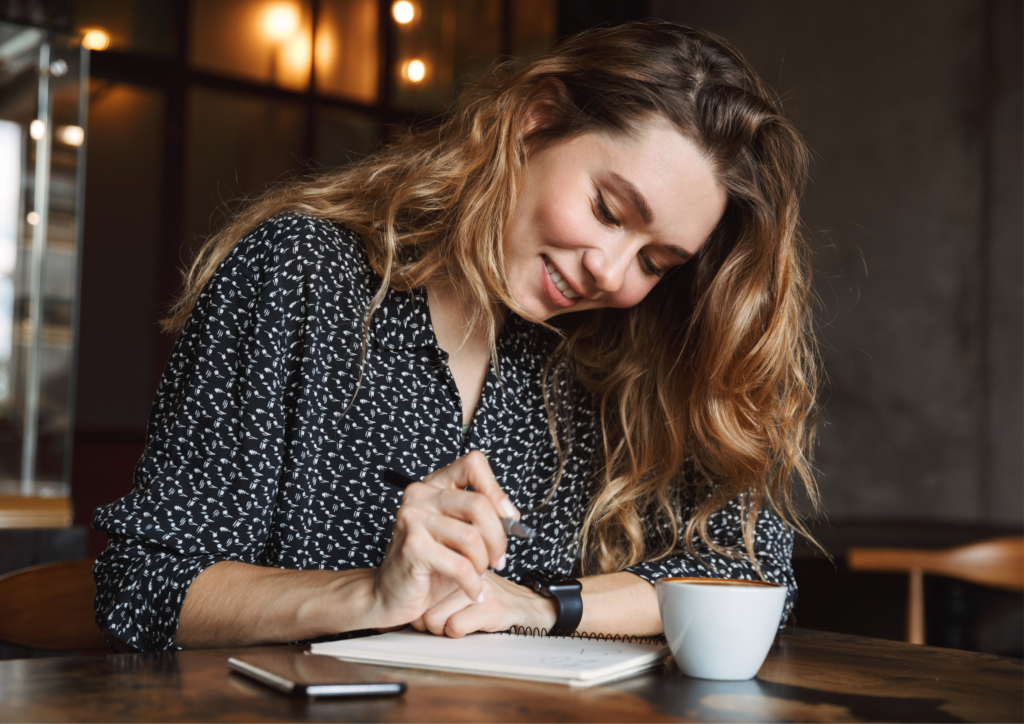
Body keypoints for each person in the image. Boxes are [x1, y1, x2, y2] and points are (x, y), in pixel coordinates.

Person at [93, 20, 819, 653]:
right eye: (607, 210)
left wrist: (541, 607)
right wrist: (371, 594)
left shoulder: (621, 349)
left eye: (655, 263)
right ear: (535, 120)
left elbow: (752, 574)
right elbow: (143, 584)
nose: (610, 271)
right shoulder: (301, 273)